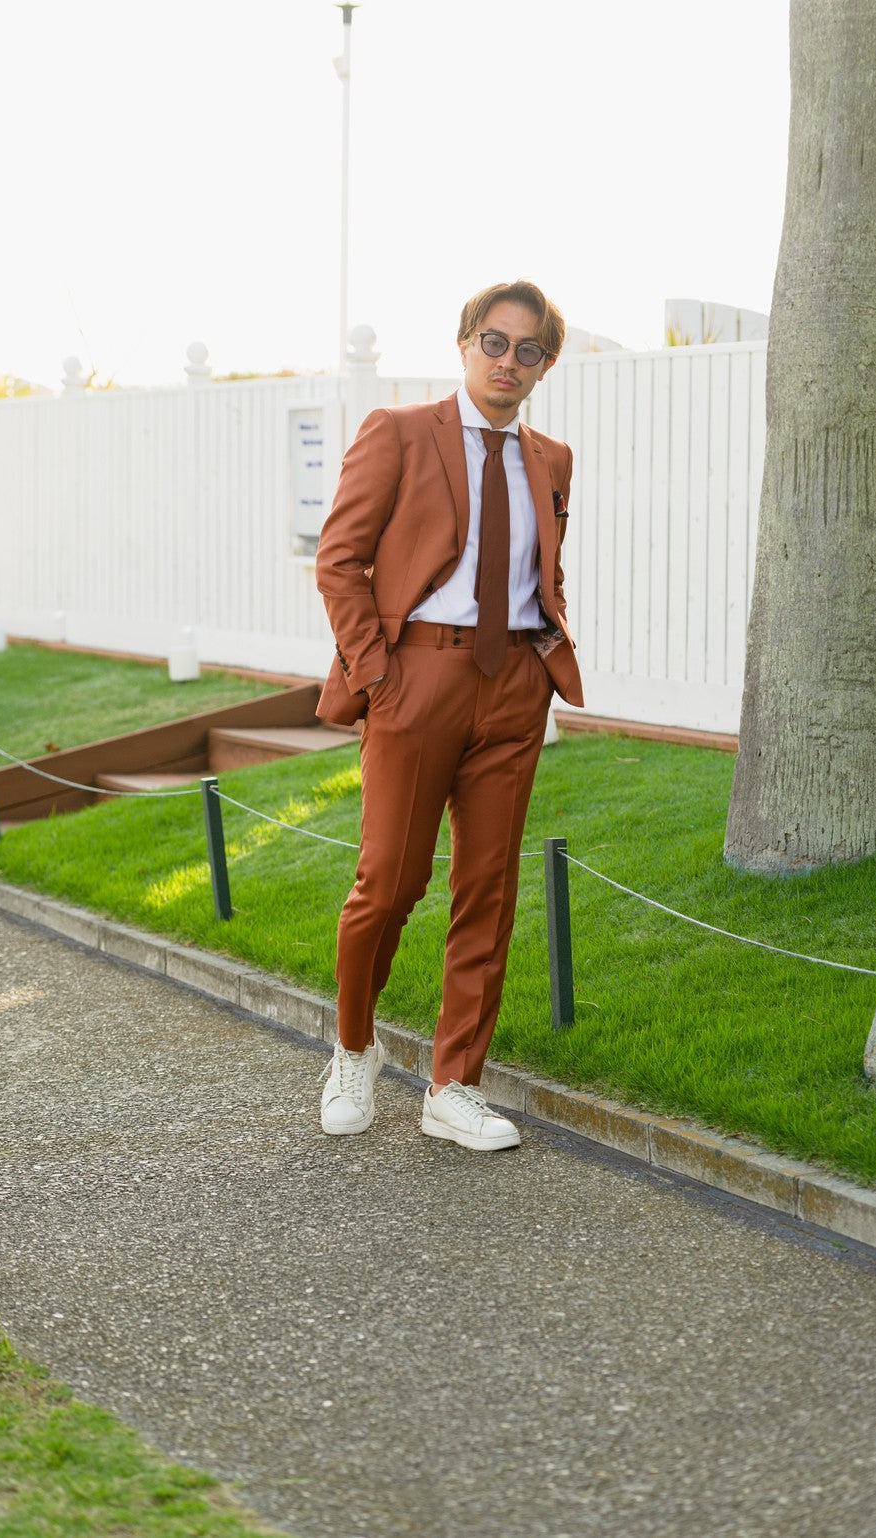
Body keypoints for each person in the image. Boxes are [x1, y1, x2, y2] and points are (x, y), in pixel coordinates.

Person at [314, 279, 583, 1151]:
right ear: (465, 344)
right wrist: (379, 676)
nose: (508, 362)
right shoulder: (397, 433)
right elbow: (340, 561)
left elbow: (542, 567)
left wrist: (541, 659)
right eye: (494, 343)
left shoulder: (552, 459)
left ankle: (454, 1085)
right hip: (416, 678)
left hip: (515, 684)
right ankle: (353, 1049)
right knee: (389, 883)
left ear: (545, 365)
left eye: (528, 350)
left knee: (488, 891)